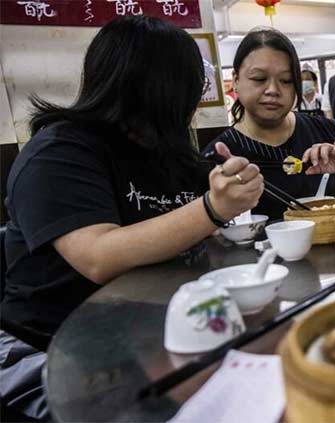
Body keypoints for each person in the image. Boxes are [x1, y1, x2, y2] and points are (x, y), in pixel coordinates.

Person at [2, 16, 265, 421]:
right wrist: (212, 208)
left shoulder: (167, 152)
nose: (196, 101)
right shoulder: (57, 153)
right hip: (48, 349)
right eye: (191, 87)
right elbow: (98, 256)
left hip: (146, 335)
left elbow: (197, 232)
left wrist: (225, 182)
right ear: (159, 89)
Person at [204, 28, 335, 220]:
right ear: (236, 80)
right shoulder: (219, 156)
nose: (273, 90)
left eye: (286, 81)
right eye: (259, 79)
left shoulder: (327, 131)